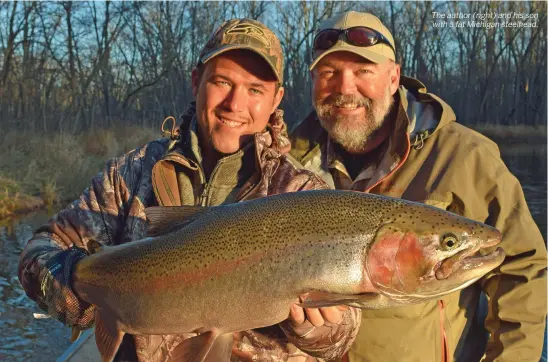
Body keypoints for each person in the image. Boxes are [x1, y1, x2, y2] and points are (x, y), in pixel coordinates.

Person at [18, 18, 361, 362]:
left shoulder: (302, 193)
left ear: (276, 99)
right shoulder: (131, 174)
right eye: (222, 81)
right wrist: (80, 288)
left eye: (255, 89)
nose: (235, 104)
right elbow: (40, 250)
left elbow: (342, 336)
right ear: (197, 82)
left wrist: (319, 329)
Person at [290, 11, 547, 362]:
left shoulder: (464, 156)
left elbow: (523, 269)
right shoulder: (287, 164)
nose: (345, 88)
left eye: (363, 71)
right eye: (329, 73)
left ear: (394, 78)